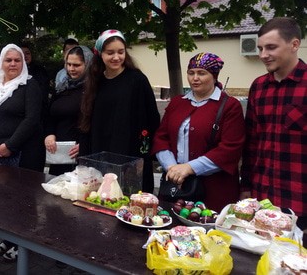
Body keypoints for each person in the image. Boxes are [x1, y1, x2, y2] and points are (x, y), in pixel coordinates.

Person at [152, 52, 245, 211]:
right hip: (176, 188)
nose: (195, 78)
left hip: (214, 191)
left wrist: (189, 168)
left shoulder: (230, 106)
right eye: (191, 73)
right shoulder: (177, 103)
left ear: (214, 76)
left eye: (202, 73)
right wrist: (172, 168)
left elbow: (230, 149)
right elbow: (161, 138)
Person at [0, 43, 42, 262]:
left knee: (22, 200)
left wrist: (10, 145)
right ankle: (7, 237)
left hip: (21, 153)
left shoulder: (29, 85)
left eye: (17, 60)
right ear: (1, 63)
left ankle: (22, 243)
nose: (13, 64)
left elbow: (31, 119)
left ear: (23, 62)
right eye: (8, 60)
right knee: (1, 199)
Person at [240, 17, 306, 230]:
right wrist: (246, 187)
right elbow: (251, 142)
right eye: (260, 48)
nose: (263, 55)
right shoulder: (258, 87)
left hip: (300, 203)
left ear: (294, 44)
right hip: (262, 200)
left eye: (271, 47)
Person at [80, 30, 160, 193]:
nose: (116, 57)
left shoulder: (137, 80)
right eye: (110, 53)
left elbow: (152, 117)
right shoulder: (96, 81)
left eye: (120, 52)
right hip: (101, 151)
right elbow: (88, 117)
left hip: (131, 152)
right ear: (100, 54)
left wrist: (147, 148)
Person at [44, 45, 93, 175]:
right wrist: (49, 133)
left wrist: (84, 144)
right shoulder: (62, 86)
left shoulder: (93, 90)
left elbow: (96, 122)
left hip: (80, 153)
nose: (71, 69)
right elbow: (50, 113)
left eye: (76, 65)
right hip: (59, 153)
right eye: (68, 64)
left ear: (87, 64)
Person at [19, 42, 49, 172]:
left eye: (28, 53)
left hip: (37, 121)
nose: (25, 56)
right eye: (22, 53)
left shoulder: (39, 71)